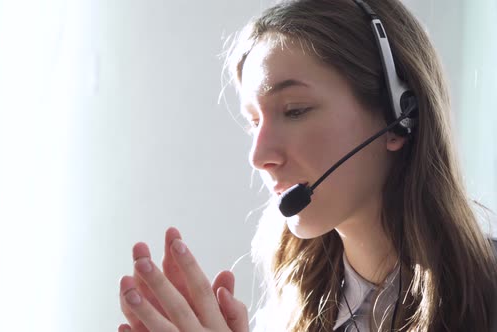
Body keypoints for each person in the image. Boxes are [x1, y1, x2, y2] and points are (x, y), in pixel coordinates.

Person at [117, 0, 497, 331]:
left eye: (295, 110)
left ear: (398, 117)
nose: (258, 156)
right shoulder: (289, 308)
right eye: (253, 122)